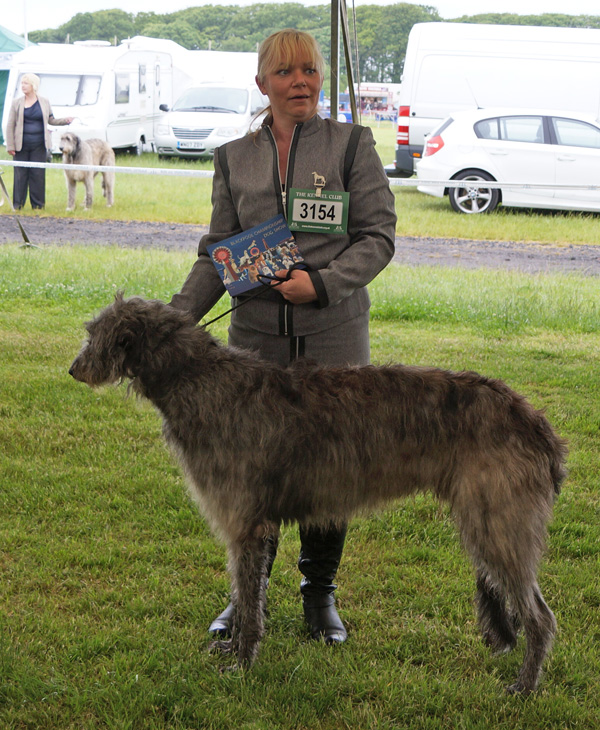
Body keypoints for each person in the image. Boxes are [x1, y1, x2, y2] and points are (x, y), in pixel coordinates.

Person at [169, 28, 397, 645]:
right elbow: (216, 254)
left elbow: (378, 236)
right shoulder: (233, 156)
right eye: (286, 72)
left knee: (332, 470)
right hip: (255, 349)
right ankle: (248, 600)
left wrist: (321, 284)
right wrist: (173, 322)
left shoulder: (352, 145)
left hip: (334, 338)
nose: (301, 81)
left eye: (310, 70)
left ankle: (318, 594)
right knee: (254, 477)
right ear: (262, 83)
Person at [5, 73, 73, 209]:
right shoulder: (16, 103)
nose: (23, 86)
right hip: (21, 145)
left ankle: (38, 205)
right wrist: (10, 145)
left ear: (33, 86)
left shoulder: (44, 101)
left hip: (39, 145)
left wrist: (64, 120)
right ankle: (18, 205)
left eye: (26, 83)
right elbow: (10, 125)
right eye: (22, 83)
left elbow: (51, 120)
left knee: (37, 175)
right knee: (20, 175)